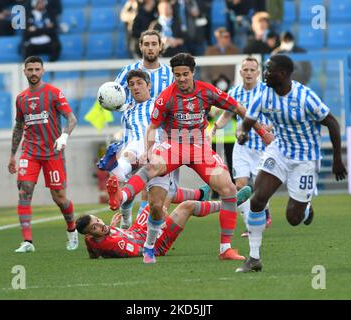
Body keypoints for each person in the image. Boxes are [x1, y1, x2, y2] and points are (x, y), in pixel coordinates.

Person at [106, 52, 274, 263]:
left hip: (198, 147)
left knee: (229, 190)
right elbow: (152, 127)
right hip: (173, 144)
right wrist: (148, 151)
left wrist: (261, 132)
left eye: (185, 74)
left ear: (193, 72)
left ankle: (225, 248)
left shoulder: (207, 91)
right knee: (153, 186)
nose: (182, 79)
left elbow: (238, 108)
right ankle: (126, 207)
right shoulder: (166, 96)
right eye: (177, 75)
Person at [235, 54, 347, 273]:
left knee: (293, 218)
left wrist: (337, 159)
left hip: (305, 158)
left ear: (283, 74)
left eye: (269, 70)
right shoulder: (264, 93)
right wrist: (242, 133)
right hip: (279, 150)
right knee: (257, 200)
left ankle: (305, 209)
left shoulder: (305, 97)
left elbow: (332, 123)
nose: (265, 74)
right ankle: (254, 258)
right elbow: (247, 121)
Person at [98, 69, 209, 228]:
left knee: (161, 197)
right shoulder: (128, 109)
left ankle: (199, 194)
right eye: (131, 85)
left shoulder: (161, 103)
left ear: (149, 85)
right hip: (136, 144)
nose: (135, 87)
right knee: (125, 163)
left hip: (159, 147)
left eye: (139, 83)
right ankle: (129, 220)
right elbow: (111, 101)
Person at [8, 56, 78, 253]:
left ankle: (71, 230)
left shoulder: (54, 93)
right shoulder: (21, 98)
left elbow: (72, 118)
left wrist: (64, 136)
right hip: (29, 153)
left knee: (59, 197)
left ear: (43, 71)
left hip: (53, 153)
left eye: (37, 69)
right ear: (24, 72)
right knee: (24, 191)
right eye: (29, 69)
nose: (33, 73)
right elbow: (19, 127)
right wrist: (12, 155)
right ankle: (27, 242)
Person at [76, 185, 252, 259]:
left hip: (139, 230)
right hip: (155, 243)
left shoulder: (90, 238)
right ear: (90, 232)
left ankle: (200, 194)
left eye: (98, 221)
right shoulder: (115, 243)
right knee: (186, 206)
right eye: (96, 227)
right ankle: (231, 203)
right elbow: (141, 251)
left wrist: (112, 229)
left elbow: (94, 254)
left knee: (155, 192)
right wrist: (158, 223)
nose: (101, 225)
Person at [111, 29, 175, 223]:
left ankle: (137, 223)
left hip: (163, 137)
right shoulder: (127, 71)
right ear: (140, 46)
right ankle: (136, 224)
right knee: (138, 175)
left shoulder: (168, 74)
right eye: (146, 44)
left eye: (154, 44)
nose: (150, 48)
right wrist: (124, 106)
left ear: (160, 46)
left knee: (162, 191)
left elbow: (174, 104)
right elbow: (113, 97)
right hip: (135, 132)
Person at [210, 57, 272, 236]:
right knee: (240, 185)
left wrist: (270, 128)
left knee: (261, 186)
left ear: (258, 73)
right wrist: (214, 128)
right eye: (246, 70)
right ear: (241, 72)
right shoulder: (235, 92)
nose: (249, 73)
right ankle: (250, 225)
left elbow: (277, 115)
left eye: (252, 70)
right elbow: (227, 115)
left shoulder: (266, 91)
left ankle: (265, 211)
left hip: (262, 147)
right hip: (242, 146)